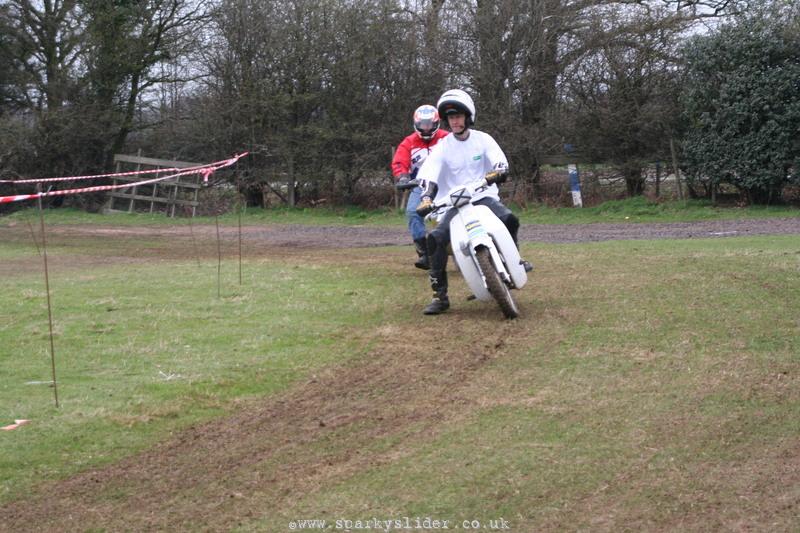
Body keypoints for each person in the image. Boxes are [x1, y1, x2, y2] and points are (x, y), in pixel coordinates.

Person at [415, 89, 532, 315]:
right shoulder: (442, 147)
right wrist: (427, 196)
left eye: (458, 116)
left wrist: (499, 172)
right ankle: (439, 296)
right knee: (435, 239)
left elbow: (499, 161)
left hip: (483, 197)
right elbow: (430, 172)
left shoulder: (483, 139)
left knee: (510, 219)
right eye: (451, 118)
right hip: (454, 204)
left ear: (468, 117)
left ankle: (515, 260)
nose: (455, 121)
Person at [391, 104, 450, 269]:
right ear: (416, 124)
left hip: (446, 183)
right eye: (423, 125)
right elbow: (399, 162)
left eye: (429, 124)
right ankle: (424, 252)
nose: (426, 128)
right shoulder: (408, 142)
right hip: (421, 184)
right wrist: (402, 176)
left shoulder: (447, 138)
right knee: (412, 212)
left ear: (436, 123)